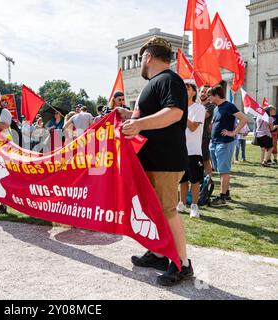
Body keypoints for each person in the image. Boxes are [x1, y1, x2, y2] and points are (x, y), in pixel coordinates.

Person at [118, 36, 192, 286]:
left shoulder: (169, 79)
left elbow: (174, 113)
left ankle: (182, 263)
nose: (140, 63)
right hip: (152, 159)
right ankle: (160, 254)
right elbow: (152, 116)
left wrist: (138, 123)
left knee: (167, 210)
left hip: (165, 159)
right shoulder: (157, 82)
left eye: (141, 58)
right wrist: (129, 116)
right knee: (154, 209)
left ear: (148, 56)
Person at [209, 81, 249, 206]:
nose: (208, 98)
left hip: (225, 143)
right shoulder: (216, 108)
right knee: (220, 169)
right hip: (214, 143)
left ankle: (222, 198)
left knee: (223, 171)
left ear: (216, 95)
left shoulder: (228, 106)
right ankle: (226, 193)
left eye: (210, 95)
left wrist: (233, 133)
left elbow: (244, 119)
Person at [177, 83, 206, 219]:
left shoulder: (199, 108)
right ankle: (182, 203)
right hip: (180, 149)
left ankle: (194, 206)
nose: (184, 90)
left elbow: (193, 127)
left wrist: (182, 114)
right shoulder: (178, 108)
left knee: (195, 180)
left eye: (187, 89)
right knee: (182, 180)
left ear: (194, 92)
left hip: (194, 150)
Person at [199, 85, 216, 177]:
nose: (203, 94)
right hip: (195, 136)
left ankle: (209, 179)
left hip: (204, 136)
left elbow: (203, 116)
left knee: (205, 159)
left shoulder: (211, 106)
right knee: (196, 159)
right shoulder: (196, 106)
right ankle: (200, 178)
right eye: (201, 91)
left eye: (205, 92)